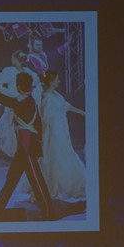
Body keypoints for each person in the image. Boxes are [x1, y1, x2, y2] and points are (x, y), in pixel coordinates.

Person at [0, 64, 54, 221]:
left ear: (19, 87)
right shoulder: (29, 100)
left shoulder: (22, 103)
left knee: (36, 180)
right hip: (23, 149)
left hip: (27, 150)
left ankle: (48, 213)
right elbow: (38, 123)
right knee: (11, 180)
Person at [38, 71, 86, 202]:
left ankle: (61, 186)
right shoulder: (47, 97)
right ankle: (54, 187)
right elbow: (45, 119)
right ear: (51, 82)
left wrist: (81, 112)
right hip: (53, 131)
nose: (58, 81)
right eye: (57, 79)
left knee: (64, 153)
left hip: (61, 129)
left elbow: (66, 106)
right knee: (55, 156)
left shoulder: (56, 94)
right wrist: (41, 136)